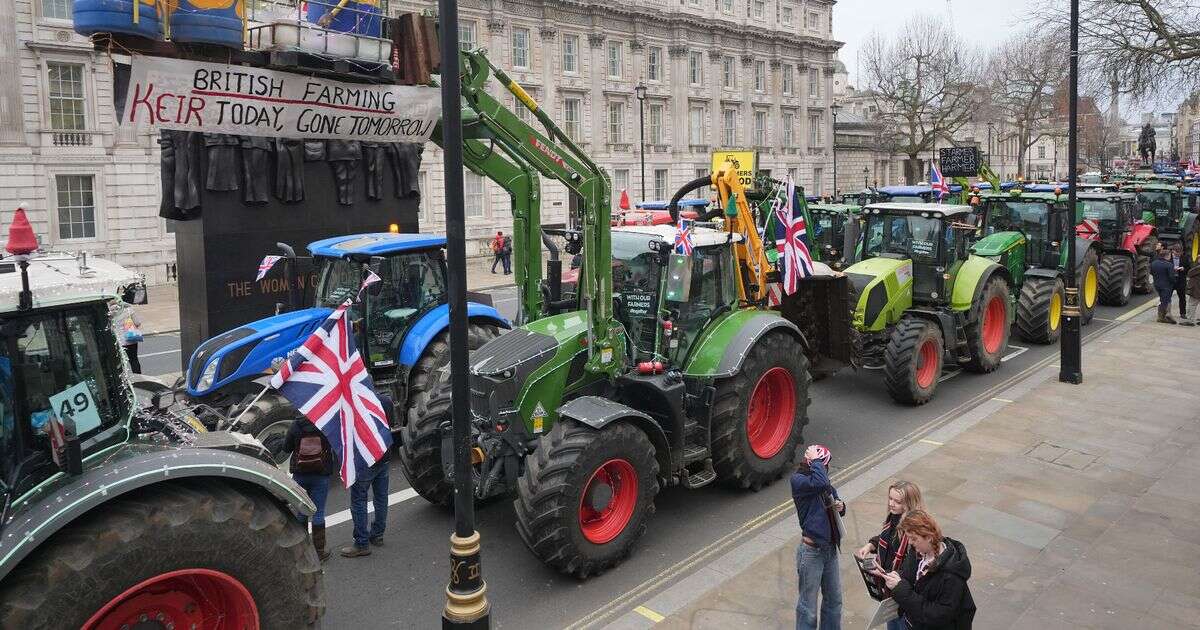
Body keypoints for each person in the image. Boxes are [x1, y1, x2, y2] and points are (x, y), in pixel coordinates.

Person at [871, 510, 976, 630]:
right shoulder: (918, 552)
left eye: (914, 539)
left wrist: (900, 588)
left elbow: (937, 616)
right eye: (909, 538)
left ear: (929, 537)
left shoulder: (951, 576)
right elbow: (910, 577)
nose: (910, 542)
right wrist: (891, 575)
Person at [855, 481, 926, 630]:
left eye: (897, 501)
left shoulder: (914, 530)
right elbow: (886, 537)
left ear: (909, 503)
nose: (892, 504)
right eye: (890, 498)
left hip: (903, 593)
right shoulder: (894, 517)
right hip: (890, 591)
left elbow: (912, 567)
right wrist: (871, 545)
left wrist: (885, 574)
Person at [792, 444, 846, 630]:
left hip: (829, 550)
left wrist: (841, 505)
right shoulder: (799, 481)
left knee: (834, 601)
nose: (826, 469)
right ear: (814, 464)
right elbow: (821, 483)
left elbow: (832, 494)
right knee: (808, 608)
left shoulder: (823, 481)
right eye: (824, 466)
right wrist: (816, 460)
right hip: (811, 553)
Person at [341, 394, 395, 557]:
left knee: (358, 500)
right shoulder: (386, 401)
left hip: (365, 458)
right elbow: (389, 424)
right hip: (383, 453)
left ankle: (361, 543)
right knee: (381, 497)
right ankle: (377, 534)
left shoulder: (352, 405)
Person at [280, 416, 334, 560]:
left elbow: (286, 448)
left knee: (301, 511)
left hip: (300, 474)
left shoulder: (295, 425)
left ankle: (302, 551)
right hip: (321, 474)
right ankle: (320, 553)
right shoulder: (324, 423)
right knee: (319, 512)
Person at [111, 302, 144, 373]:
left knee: (119, 361)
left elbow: (111, 329)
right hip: (131, 337)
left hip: (118, 341)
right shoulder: (128, 310)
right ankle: (138, 376)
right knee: (134, 359)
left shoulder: (110, 314)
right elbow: (137, 322)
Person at [1151, 248, 1178, 324]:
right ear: (1167, 256)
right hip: (1166, 285)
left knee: (1164, 299)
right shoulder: (1169, 265)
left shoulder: (1154, 263)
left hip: (1157, 284)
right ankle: (1164, 316)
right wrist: (1174, 282)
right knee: (1165, 301)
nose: (1170, 257)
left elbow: (1151, 272)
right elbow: (1171, 277)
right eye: (1170, 255)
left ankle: (1162, 316)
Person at [1171, 245, 1188, 320]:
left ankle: (1183, 313)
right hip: (1171, 280)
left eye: (1179, 252)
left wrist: (1183, 268)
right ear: (1173, 251)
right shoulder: (1168, 257)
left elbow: (1189, 267)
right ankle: (1165, 312)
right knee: (1167, 297)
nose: (1178, 254)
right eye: (1176, 252)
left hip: (1181, 280)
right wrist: (1172, 268)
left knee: (1182, 298)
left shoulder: (1185, 258)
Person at [1187, 258, 1200, 325]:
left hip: (1197, 289)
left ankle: (1190, 321)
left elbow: (1189, 273)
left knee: (1192, 304)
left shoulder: (1198, 268)